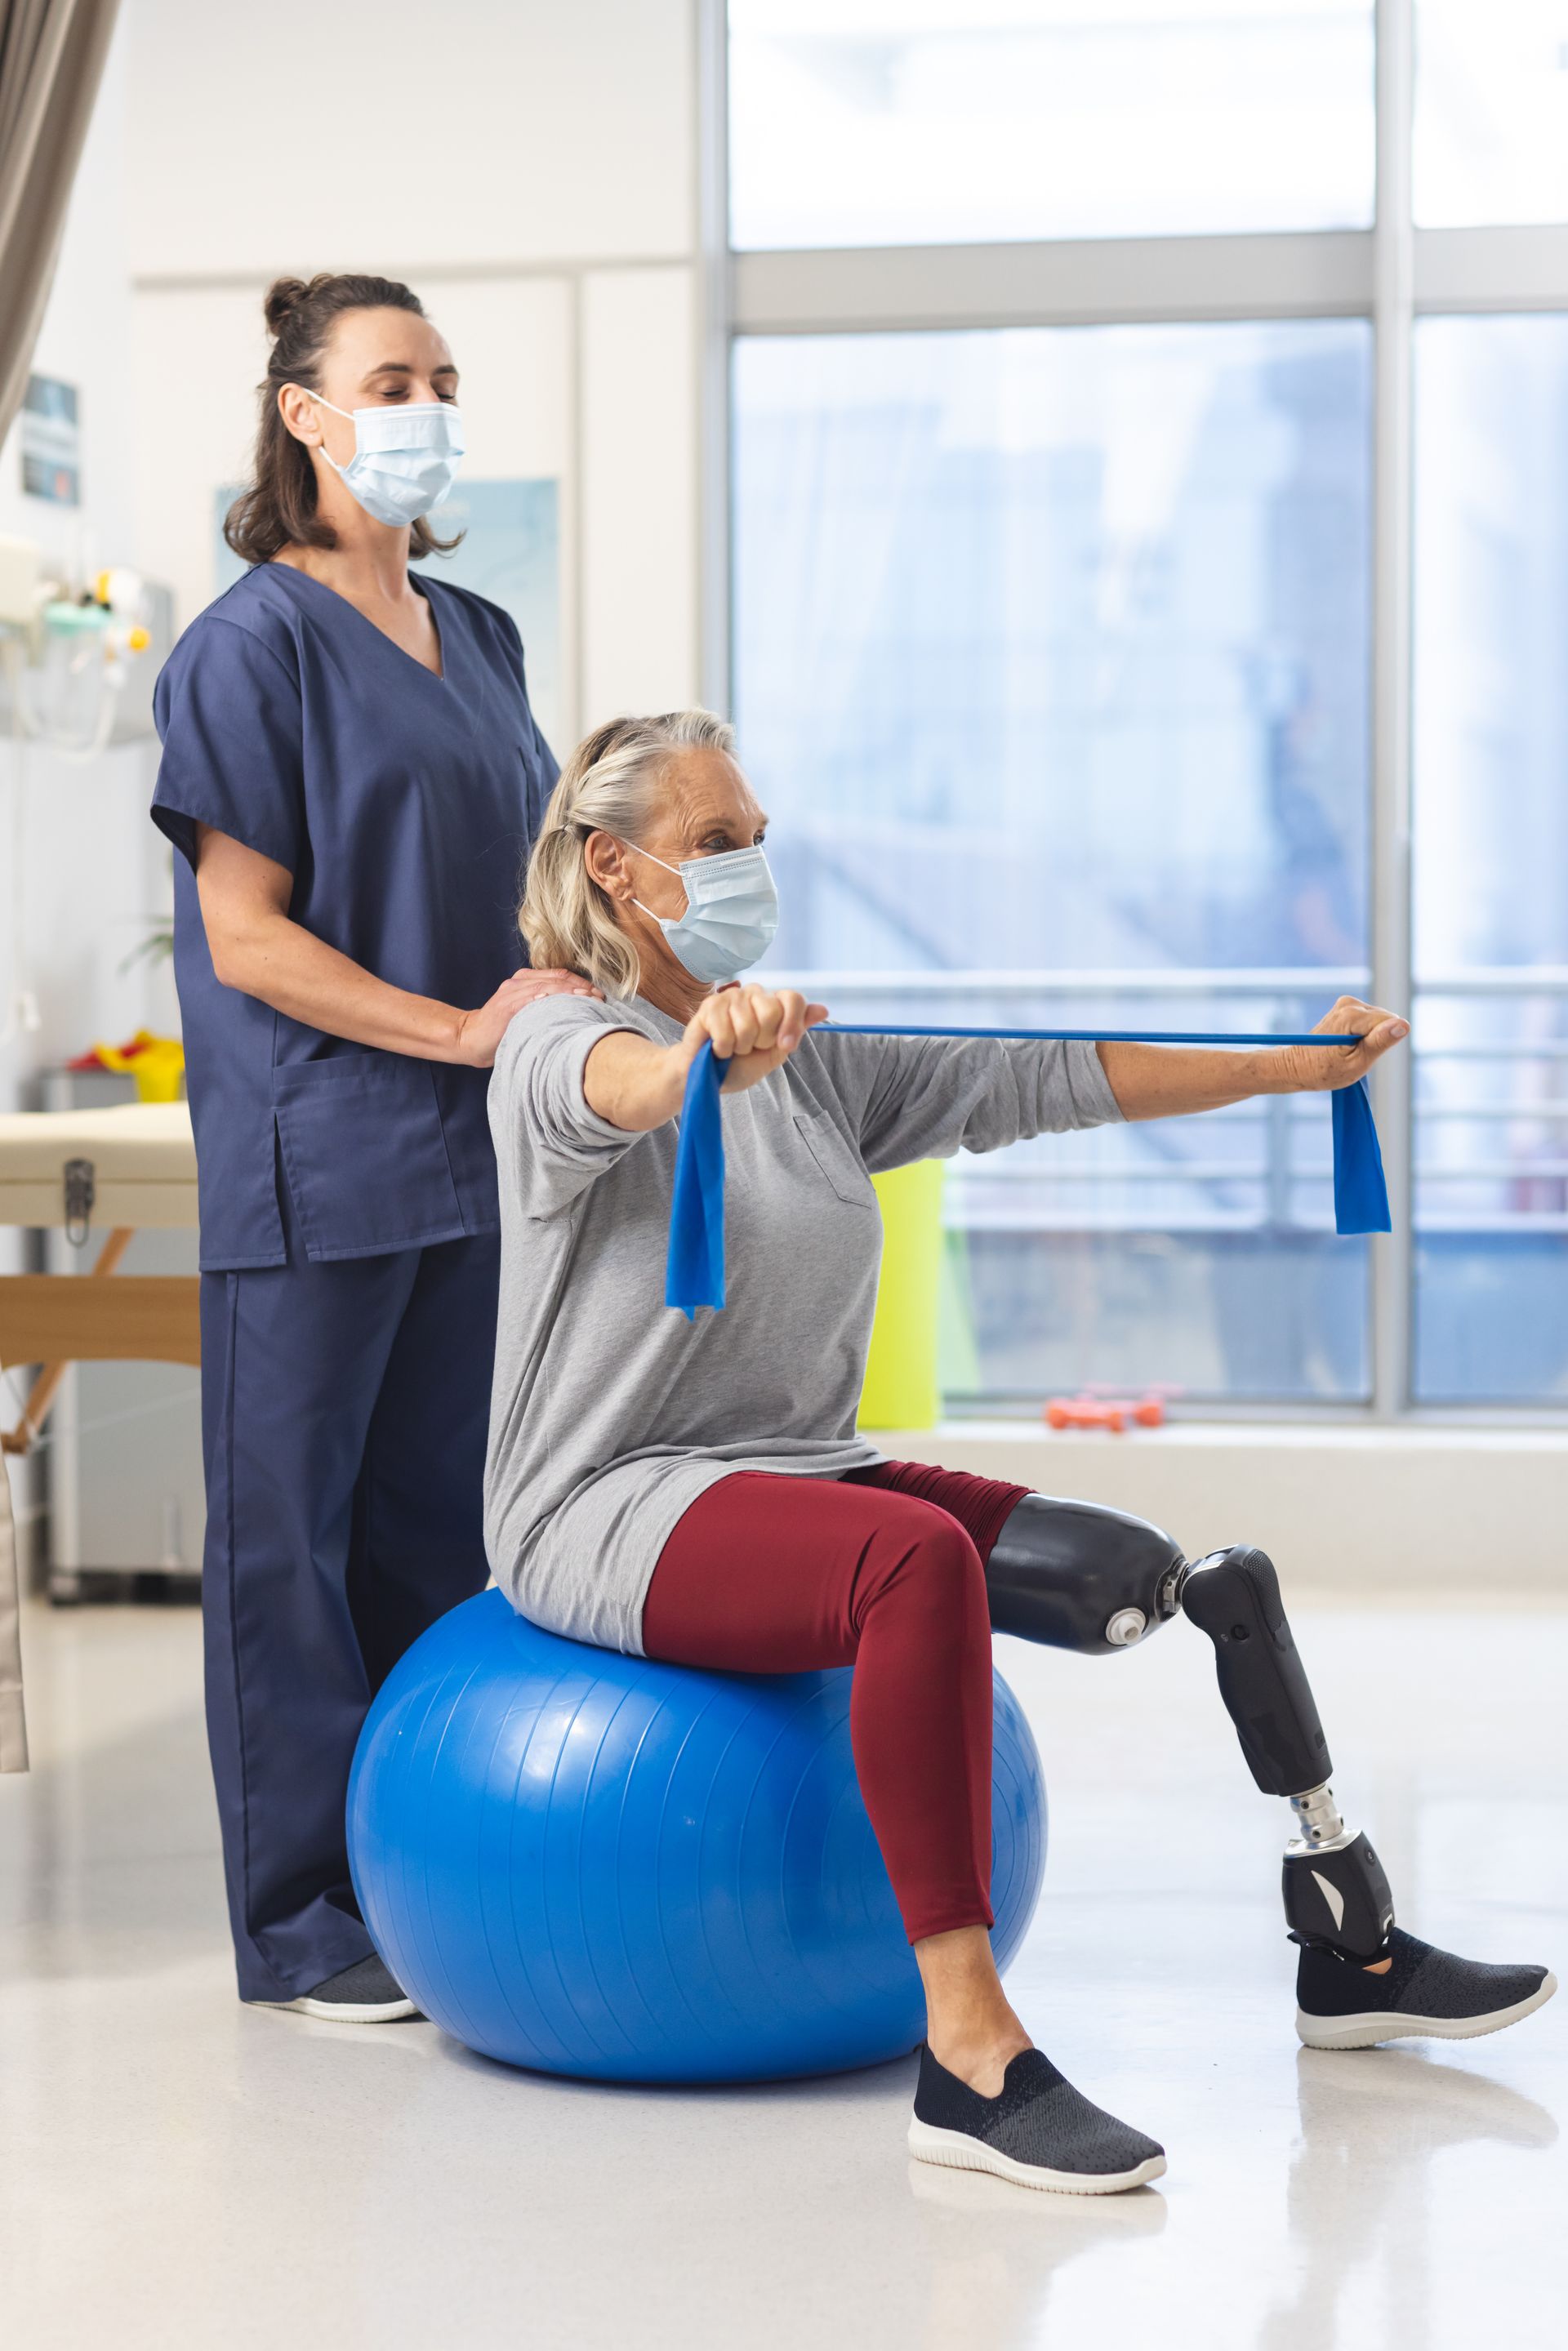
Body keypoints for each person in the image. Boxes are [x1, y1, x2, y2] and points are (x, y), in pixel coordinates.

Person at [486, 708, 1555, 2195]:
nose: (748, 868)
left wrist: (1284, 1073)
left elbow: (1042, 1075)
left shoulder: (806, 1061)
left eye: (759, 841)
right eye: (714, 845)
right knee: (914, 1567)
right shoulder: (555, 1033)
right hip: (608, 1505)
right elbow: (606, 1097)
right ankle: (971, 2058)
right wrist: (691, 1068)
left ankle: (1348, 1942)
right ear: (615, 868)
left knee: (1187, 1577)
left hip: (791, 1473)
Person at [149, 273, 593, 2021]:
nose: (426, 403)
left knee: (435, 1535)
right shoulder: (248, 645)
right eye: (389, 377)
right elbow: (246, 935)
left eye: (444, 375)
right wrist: (460, 1033)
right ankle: (303, 1921)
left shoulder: (476, 635)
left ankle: (429, 1873)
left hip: (469, 1159)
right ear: (306, 415)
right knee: (291, 1553)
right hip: (315, 1158)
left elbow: (524, 887)